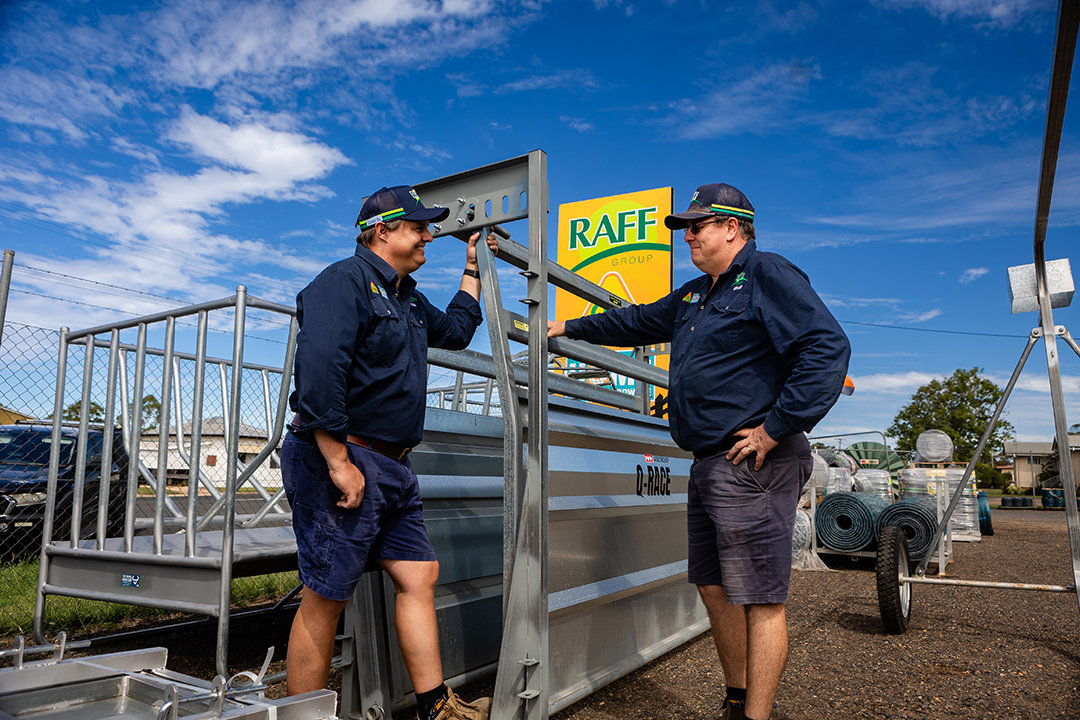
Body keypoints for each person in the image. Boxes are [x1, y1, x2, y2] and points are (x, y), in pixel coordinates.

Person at [548, 183, 850, 720]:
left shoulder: (767, 274)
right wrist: (567, 327)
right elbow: (636, 320)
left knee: (760, 596)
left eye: (697, 226)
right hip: (709, 460)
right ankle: (737, 698)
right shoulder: (696, 293)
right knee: (713, 587)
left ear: (732, 227)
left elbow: (826, 346)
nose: (686, 235)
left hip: (753, 460)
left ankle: (756, 715)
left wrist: (773, 429)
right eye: (685, 227)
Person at [282, 185, 498, 720]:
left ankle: (434, 708)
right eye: (419, 226)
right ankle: (304, 715)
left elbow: (456, 333)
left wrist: (472, 267)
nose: (429, 235)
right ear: (382, 231)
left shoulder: (406, 295)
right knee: (326, 594)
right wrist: (337, 463)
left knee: (418, 575)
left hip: (393, 464)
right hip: (343, 459)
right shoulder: (342, 283)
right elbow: (317, 377)